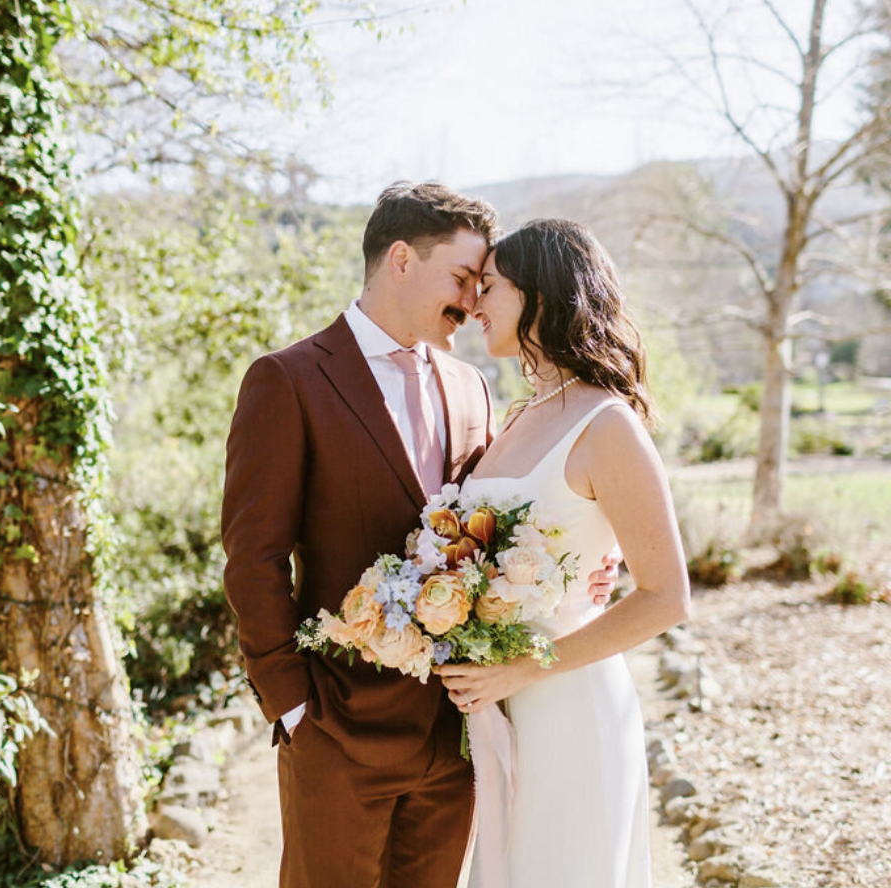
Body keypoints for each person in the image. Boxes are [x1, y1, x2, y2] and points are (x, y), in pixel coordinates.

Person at [221, 184, 619, 888]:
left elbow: (502, 523)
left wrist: (591, 557)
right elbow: (253, 559)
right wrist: (294, 710)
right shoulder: (287, 380)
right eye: (463, 278)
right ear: (402, 259)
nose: (473, 303)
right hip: (337, 732)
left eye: (481, 285)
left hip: (456, 734)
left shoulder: (472, 387)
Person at [440, 218, 691, 888]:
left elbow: (667, 596)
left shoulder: (607, 425)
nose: (473, 304)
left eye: (490, 286)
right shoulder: (519, 416)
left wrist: (526, 667)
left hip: (571, 705)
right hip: (502, 705)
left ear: (541, 299)